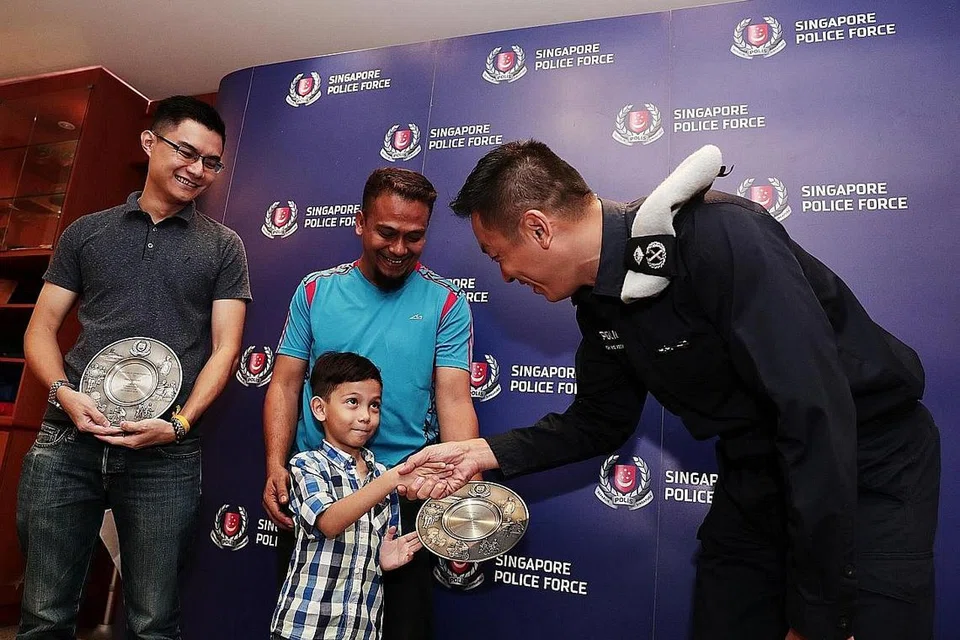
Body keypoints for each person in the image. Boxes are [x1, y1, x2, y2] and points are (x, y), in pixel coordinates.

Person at [400, 140, 940, 640]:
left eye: (498, 254)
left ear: (538, 228)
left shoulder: (720, 235)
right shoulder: (597, 299)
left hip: (862, 463)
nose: (505, 275)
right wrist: (481, 452)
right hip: (757, 470)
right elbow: (598, 420)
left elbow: (814, 414)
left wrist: (821, 613)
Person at [17, 95, 251, 639]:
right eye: (186, 152)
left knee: (153, 621)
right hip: (67, 443)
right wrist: (62, 393)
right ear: (150, 143)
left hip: (163, 453)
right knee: (44, 615)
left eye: (211, 162)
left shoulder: (224, 247)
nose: (198, 170)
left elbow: (225, 349)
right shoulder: (86, 232)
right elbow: (40, 329)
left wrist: (179, 424)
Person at [262, 167, 479, 639]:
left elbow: (455, 401)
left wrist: (463, 497)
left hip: (404, 501)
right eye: (387, 232)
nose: (399, 249)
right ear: (360, 223)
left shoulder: (447, 304)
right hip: (324, 495)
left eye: (414, 237)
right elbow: (283, 384)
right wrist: (276, 465)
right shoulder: (316, 291)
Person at [272, 352, 437, 640]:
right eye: (353, 402)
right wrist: (391, 479)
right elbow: (329, 521)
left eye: (374, 406)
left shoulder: (381, 474)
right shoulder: (306, 465)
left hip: (360, 630)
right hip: (306, 628)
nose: (365, 416)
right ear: (320, 409)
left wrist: (385, 557)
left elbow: (380, 540)